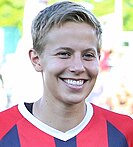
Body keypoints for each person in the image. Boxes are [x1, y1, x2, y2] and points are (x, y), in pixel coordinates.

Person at [0, 1, 133, 146]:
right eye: (64, 54)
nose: (78, 67)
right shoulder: (3, 130)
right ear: (36, 59)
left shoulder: (124, 132)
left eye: (88, 55)